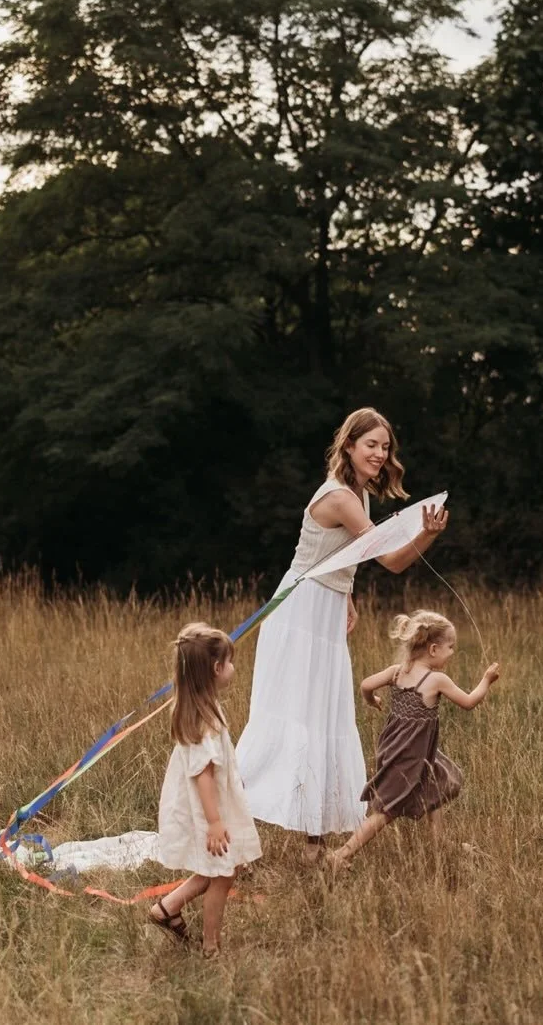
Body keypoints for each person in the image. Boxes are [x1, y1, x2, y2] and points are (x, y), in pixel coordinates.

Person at [235, 407, 449, 864]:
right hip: (300, 612)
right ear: (349, 445)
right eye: (371, 444)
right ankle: (225, 818)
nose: (380, 453)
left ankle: (314, 844)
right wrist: (427, 535)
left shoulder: (360, 494)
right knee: (294, 717)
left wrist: (347, 594)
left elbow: (341, 556)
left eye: (386, 446)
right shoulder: (342, 497)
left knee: (325, 719)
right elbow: (390, 560)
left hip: (326, 610)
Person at [326, 609, 499, 871]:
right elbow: (469, 702)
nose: (452, 652)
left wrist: (372, 700)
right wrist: (486, 680)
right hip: (409, 757)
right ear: (432, 649)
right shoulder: (436, 680)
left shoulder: (397, 672)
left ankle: (443, 846)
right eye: (450, 647)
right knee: (386, 811)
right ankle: (341, 855)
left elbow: (365, 685)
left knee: (435, 786)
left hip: (399, 750)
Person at [149, 623, 261, 958]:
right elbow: (204, 775)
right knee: (224, 873)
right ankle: (211, 946)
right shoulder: (205, 722)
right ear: (215, 669)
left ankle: (167, 908)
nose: (232, 668)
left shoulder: (199, 709)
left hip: (211, 805)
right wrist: (214, 822)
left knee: (223, 869)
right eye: (229, 662)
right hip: (208, 809)